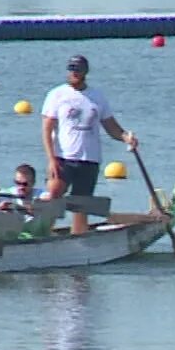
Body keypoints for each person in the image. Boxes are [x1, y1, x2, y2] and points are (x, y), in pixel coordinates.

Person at [41, 53, 137, 235]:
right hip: (63, 158)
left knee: (81, 206)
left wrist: (126, 137)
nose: (74, 73)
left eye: (78, 69)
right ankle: (42, 234)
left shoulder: (97, 97)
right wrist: (51, 159)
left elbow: (111, 126)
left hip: (89, 159)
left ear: (86, 72)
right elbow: (46, 129)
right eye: (71, 69)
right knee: (53, 195)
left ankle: (78, 239)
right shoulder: (57, 95)